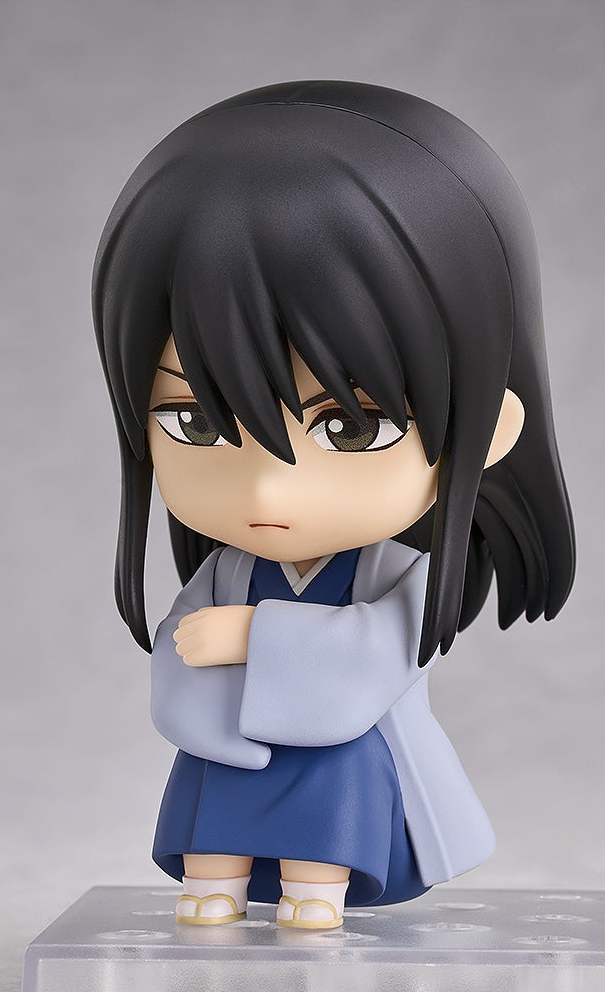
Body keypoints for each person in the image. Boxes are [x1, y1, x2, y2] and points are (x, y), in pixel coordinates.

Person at [92, 80, 575, 929]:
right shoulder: (226, 574)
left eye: (351, 427)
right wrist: (202, 655)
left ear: (491, 429)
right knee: (214, 791)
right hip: (229, 745)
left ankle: (317, 891)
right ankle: (216, 881)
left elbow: (374, 661)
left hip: (337, 751)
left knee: (339, 784)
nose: (267, 488)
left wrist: (252, 640)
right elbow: (180, 655)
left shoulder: (396, 578)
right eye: (195, 420)